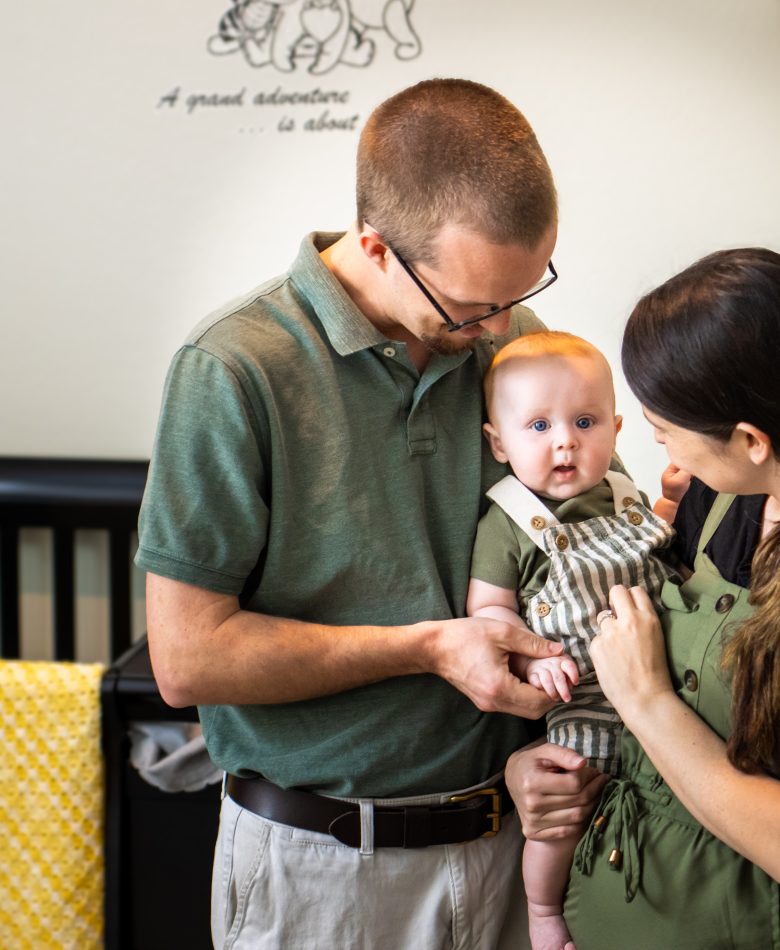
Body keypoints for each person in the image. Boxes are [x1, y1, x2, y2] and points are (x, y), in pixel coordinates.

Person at [136, 78, 607, 949]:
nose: (502, 324)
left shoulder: (505, 335)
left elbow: (564, 543)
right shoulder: (233, 369)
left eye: (522, 288)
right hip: (319, 872)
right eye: (470, 307)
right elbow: (187, 660)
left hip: (510, 842)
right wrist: (429, 647)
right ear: (377, 246)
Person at [508, 248, 780, 949]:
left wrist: (646, 701)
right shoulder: (718, 502)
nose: (669, 461)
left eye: (668, 436)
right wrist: (534, 768)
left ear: (751, 440)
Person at [467, 331, 676, 950]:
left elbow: (660, 556)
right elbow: (489, 609)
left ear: (614, 429)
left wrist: (673, 507)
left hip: (660, 684)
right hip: (579, 691)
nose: (565, 440)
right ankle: (541, 911)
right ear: (497, 443)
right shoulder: (508, 519)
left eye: (585, 422)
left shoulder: (626, 495)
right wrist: (533, 666)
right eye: (538, 426)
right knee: (559, 819)